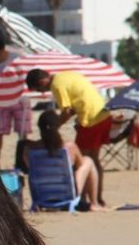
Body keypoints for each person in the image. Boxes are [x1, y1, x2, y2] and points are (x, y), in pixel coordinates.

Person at [24, 68, 109, 209]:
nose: (44, 92)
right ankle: (97, 199)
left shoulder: (56, 85)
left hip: (90, 119)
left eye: (40, 89)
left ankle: (86, 200)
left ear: (42, 81)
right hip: (102, 113)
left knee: (84, 160)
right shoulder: (66, 75)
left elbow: (67, 111)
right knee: (93, 159)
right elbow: (76, 103)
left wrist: (54, 127)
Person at [36, 111, 100, 211]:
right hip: (66, 194)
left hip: (41, 194)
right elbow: (80, 165)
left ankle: (90, 202)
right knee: (88, 161)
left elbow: (28, 169)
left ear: (39, 126)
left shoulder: (31, 149)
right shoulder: (69, 147)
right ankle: (94, 203)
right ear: (58, 125)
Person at [0, 36, 29, 166]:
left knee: (23, 132)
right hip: (1, 101)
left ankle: (23, 163)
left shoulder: (17, 57)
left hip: (20, 99)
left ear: (2, 50)